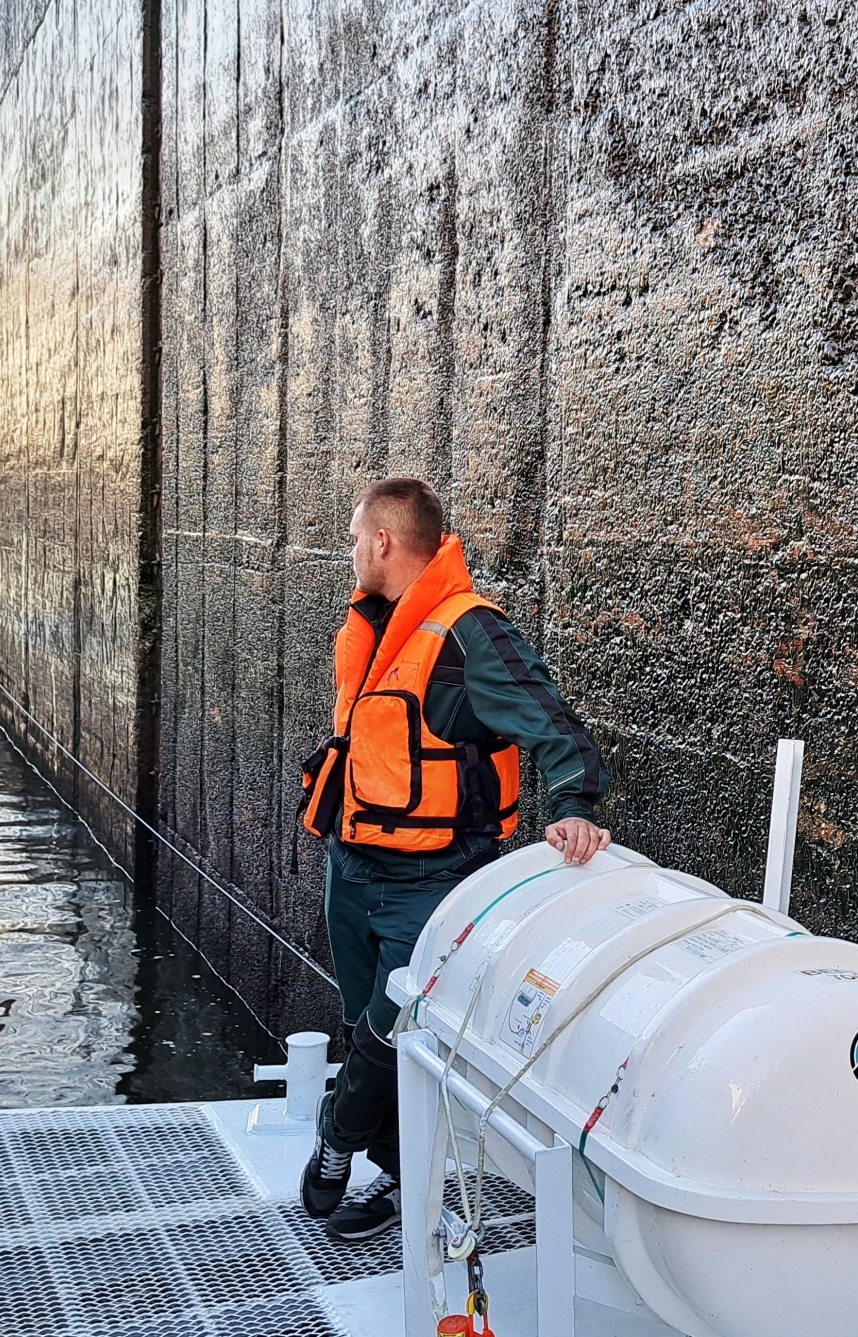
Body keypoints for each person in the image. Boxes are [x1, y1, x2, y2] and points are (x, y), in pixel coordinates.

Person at [297, 476, 611, 1240]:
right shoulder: (372, 626)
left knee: (388, 1033)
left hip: (431, 887)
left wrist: (573, 809)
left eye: (352, 538)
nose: (348, 551)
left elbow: (556, 729)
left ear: (382, 543)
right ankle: (405, 1182)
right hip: (353, 870)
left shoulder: (469, 633)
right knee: (368, 1033)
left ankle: (335, 1139)